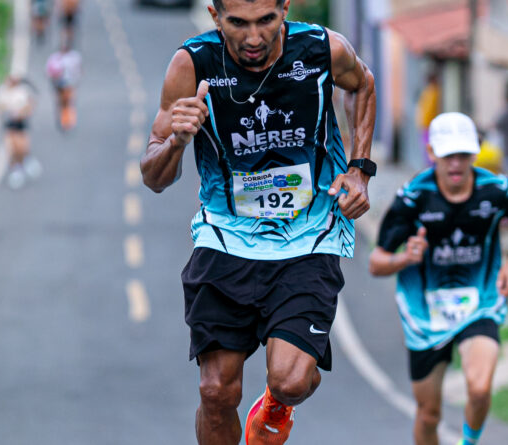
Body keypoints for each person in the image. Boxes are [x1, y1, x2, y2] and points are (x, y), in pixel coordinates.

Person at [140, 0, 377, 443]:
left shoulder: (323, 50)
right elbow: (153, 177)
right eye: (238, 23)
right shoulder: (192, 64)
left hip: (308, 238)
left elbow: (362, 85)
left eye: (266, 20)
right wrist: (176, 140)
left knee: (289, 381)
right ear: (214, 16)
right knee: (216, 391)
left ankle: (276, 405)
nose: (253, 38)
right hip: (225, 239)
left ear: (285, 8)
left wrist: (360, 169)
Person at [369, 112, 508, 445]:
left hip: (480, 302)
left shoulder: (496, 189)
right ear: (432, 154)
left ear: (474, 153)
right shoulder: (414, 197)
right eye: (448, 155)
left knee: (480, 387)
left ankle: (468, 442)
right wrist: (405, 257)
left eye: (463, 154)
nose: (456, 164)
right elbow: (376, 263)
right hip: (425, 315)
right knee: (429, 414)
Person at [0, 73, 42, 189]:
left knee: (22, 147)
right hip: (8, 124)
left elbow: (30, 105)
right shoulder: (2, 92)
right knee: (12, 148)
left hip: (20, 124)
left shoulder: (22, 91)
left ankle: (26, 161)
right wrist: (5, 109)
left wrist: (22, 112)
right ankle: (16, 169)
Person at [46, 42, 82, 131]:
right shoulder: (55, 57)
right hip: (58, 83)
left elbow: (79, 69)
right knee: (61, 102)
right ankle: (62, 119)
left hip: (70, 83)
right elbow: (49, 71)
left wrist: (76, 80)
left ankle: (69, 120)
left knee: (68, 101)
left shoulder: (74, 57)